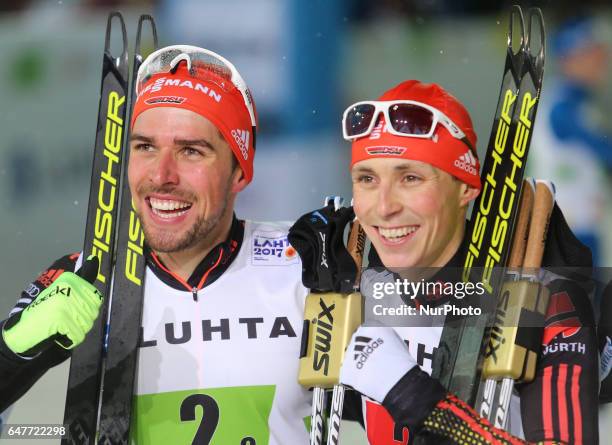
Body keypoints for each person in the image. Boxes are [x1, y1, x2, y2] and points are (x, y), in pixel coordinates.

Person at [0, 45, 312, 444]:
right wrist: (11, 352)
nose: (162, 175)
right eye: (145, 147)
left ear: (239, 171)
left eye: (190, 151)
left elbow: (404, 409)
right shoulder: (82, 281)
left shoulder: (303, 262)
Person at [290, 80, 599, 444]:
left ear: (466, 188)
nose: (385, 207)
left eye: (410, 178)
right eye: (367, 179)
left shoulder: (545, 302)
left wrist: (410, 394)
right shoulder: (362, 287)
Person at [530, 16, 611, 267]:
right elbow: (605, 149)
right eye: (591, 54)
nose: (601, 62)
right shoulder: (563, 106)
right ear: (569, 60)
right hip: (569, 230)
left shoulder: (577, 102)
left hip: (575, 226)